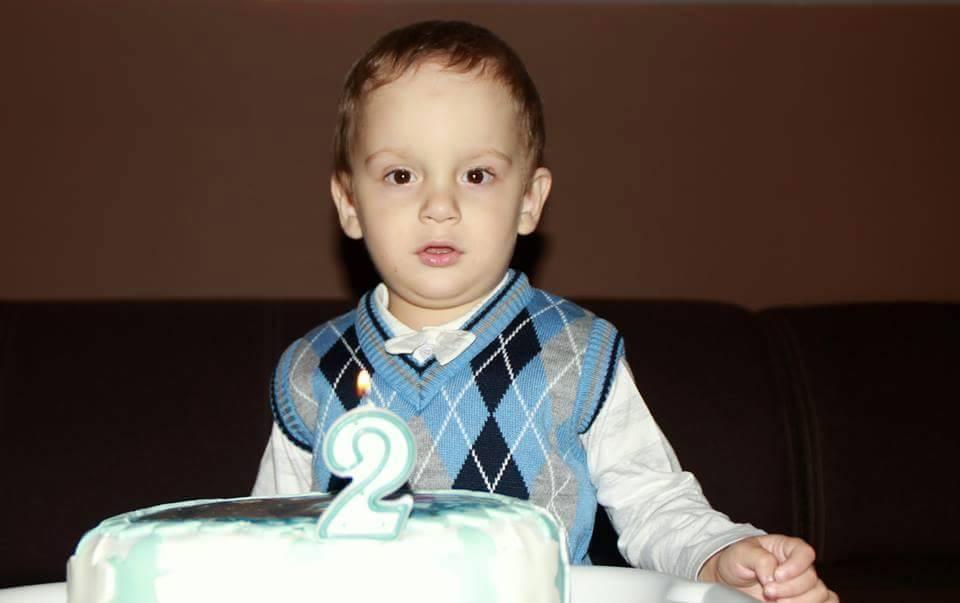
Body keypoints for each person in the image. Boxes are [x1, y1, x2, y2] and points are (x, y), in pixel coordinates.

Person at [253, 20, 838, 603]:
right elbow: (261, 540)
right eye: (401, 175)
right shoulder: (311, 372)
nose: (440, 205)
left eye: (476, 174)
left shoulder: (575, 353)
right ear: (350, 204)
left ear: (529, 201)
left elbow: (656, 504)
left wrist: (722, 556)